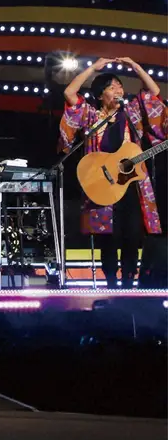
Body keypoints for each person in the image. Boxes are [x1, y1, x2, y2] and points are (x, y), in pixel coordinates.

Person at [61, 57, 165, 288]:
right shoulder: (90, 115)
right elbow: (69, 93)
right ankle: (110, 282)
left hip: (131, 184)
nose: (118, 90)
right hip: (102, 182)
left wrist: (136, 67)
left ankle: (128, 282)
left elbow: (154, 92)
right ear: (100, 95)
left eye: (120, 86)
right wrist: (92, 68)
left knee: (132, 234)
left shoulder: (131, 114)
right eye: (111, 87)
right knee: (106, 236)